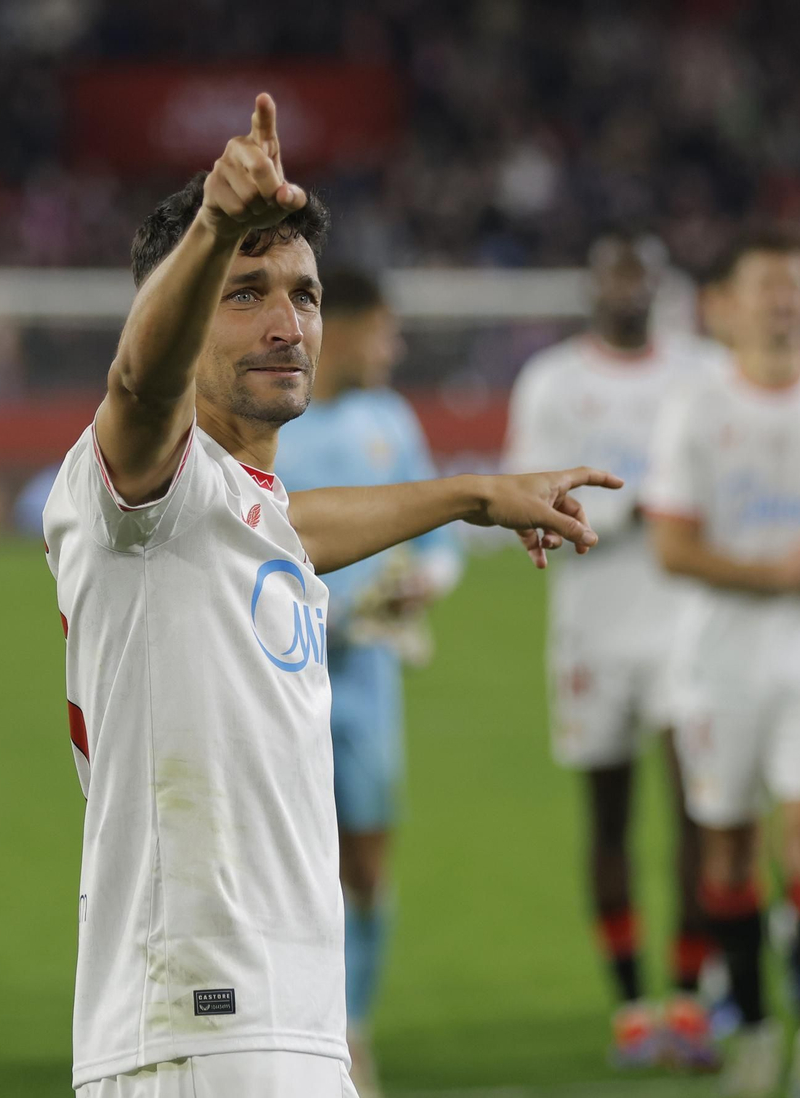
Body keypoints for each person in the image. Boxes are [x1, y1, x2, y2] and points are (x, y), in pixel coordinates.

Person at [43, 94, 621, 1098]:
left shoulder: (238, 508)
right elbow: (140, 390)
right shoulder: (134, 478)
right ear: (172, 313)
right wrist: (217, 221)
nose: (286, 323)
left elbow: (297, 533)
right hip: (200, 1025)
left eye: (303, 295)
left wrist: (473, 494)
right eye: (244, 292)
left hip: (278, 1014)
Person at [644, 228, 800, 1098]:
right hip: (721, 662)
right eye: (767, 287)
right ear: (731, 306)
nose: (783, 301)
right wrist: (770, 573)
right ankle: (751, 1027)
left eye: (797, 287)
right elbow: (671, 546)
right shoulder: (696, 409)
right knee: (731, 856)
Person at [505, 233, 720, 1070]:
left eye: (642, 276)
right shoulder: (554, 383)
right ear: (596, 286)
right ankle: (632, 1007)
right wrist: (641, 513)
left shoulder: (701, 371)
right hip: (592, 629)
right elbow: (531, 502)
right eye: (616, 276)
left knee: (698, 807)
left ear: (658, 286)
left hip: (686, 626)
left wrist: (629, 510)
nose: (629, 290)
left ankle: (691, 999)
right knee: (609, 819)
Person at [272, 268, 463, 1097]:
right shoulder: (274, 420)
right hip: (278, 680)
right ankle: (286, 1028)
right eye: (382, 331)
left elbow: (440, 537)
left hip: (369, 683)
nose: (394, 348)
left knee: (367, 863)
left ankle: (352, 1030)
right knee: (280, 864)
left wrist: (429, 581)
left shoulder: (393, 420)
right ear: (340, 331)